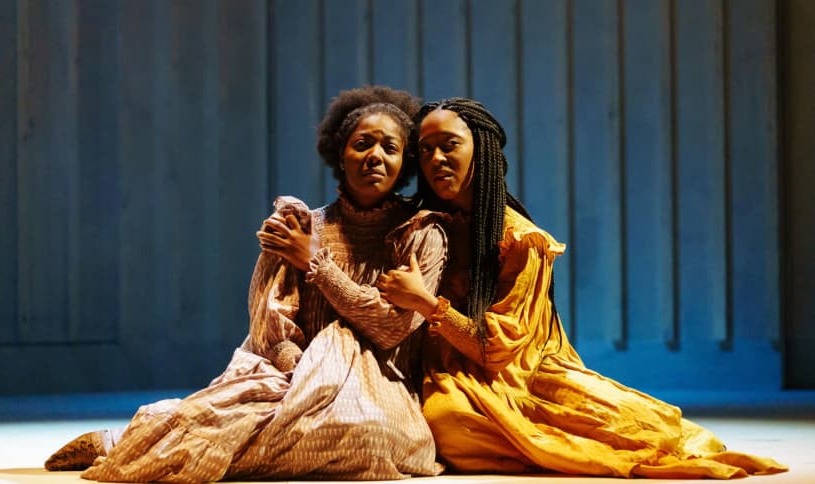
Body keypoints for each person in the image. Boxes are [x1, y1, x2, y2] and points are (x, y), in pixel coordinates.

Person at [44, 86, 447, 482]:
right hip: (292, 371)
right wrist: (301, 374)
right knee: (228, 412)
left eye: (389, 149)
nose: (374, 156)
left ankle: (141, 443)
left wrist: (317, 265)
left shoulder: (419, 234)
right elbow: (272, 325)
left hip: (378, 384)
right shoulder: (300, 226)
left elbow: (392, 327)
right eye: (362, 144)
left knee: (372, 438)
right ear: (341, 154)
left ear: (405, 163)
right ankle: (140, 437)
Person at [374, 97, 788, 479]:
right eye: (425, 150)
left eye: (449, 145)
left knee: (642, 430)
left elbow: (496, 351)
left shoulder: (520, 239)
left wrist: (427, 304)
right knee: (444, 419)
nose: (436, 159)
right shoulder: (426, 223)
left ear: (481, 151)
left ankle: (543, 443)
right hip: (447, 369)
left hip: (521, 373)